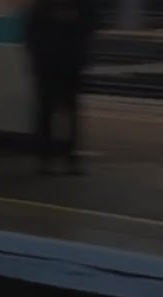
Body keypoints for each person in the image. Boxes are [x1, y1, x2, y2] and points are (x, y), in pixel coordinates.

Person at [25, 0, 97, 175]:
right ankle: (65, 158)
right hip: (64, 65)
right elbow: (90, 29)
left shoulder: (43, 5)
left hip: (55, 66)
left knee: (48, 113)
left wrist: (38, 58)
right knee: (67, 113)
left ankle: (48, 160)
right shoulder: (80, 6)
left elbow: (30, 33)